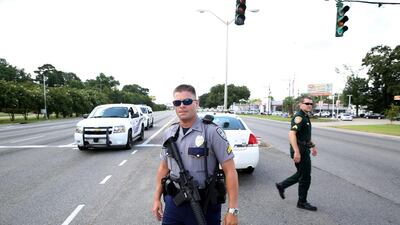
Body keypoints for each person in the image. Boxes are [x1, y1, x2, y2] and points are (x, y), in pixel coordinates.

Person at [152, 84, 239, 225]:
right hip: (174, 204)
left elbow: (230, 170)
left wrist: (232, 210)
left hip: (204, 205)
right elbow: (163, 168)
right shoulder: (170, 133)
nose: (182, 106)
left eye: (187, 101)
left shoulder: (212, 132)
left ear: (196, 103)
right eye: (177, 102)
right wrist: (156, 199)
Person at [275, 96, 318, 211]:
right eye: (307, 103)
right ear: (301, 104)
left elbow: (305, 136)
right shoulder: (299, 117)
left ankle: (282, 185)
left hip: (304, 149)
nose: (309, 105)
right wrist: (297, 152)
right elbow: (292, 134)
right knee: (305, 177)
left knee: (302, 174)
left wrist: (313, 146)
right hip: (300, 151)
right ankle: (302, 202)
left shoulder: (305, 116)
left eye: (311, 104)